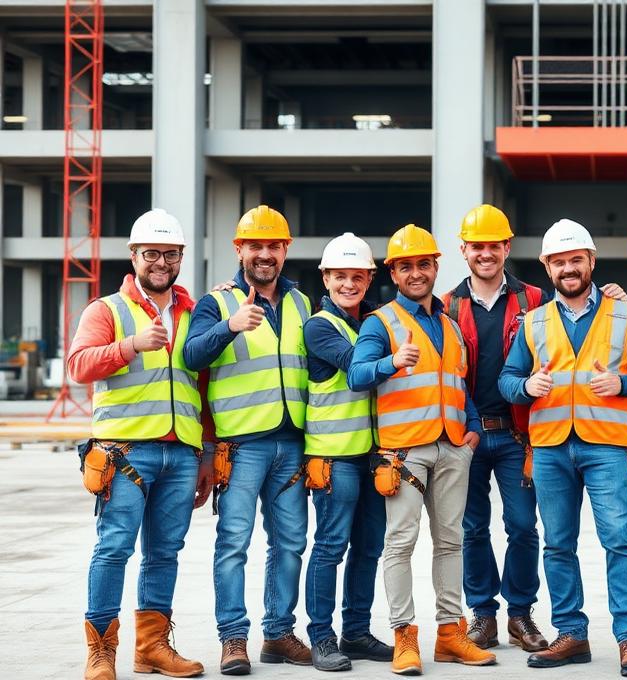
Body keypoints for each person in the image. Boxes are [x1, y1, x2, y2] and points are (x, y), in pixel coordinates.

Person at [499, 218, 627, 678]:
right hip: (551, 448)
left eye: (576, 260)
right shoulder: (533, 322)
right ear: (547, 267)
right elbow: (507, 380)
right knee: (557, 545)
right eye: (559, 262)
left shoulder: (624, 314)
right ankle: (571, 634)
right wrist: (526, 385)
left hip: (606, 446)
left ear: (591, 262)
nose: (568, 268)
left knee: (618, 541)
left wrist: (624, 382)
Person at [349, 224, 496, 675]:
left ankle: (451, 635)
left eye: (423, 264)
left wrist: (471, 428)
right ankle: (404, 637)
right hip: (404, 453)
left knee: (450, 542)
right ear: (394, 273)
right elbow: (358, 376)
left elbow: (457, 385)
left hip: (452, 446)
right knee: (400, 543)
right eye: (406, 266)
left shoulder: (450, 325)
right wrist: (392, 362)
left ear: (435, 267)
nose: (416, 273)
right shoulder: (381, 322)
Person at [68, 209, 204, 679]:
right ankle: (101, 650)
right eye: (152, 254)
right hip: (125, 453)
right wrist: (130, 345)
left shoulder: (194, 312)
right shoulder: (106, 310)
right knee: (114, 548)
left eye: (170, 254)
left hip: (181, 454)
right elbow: (79, 366)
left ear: (181, 257)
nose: (161, 262)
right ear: (134, 256)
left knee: (165, 553)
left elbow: (203, 388)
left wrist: (204, 452)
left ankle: (151, 649)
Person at [183, 205, 312, 675]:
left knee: (291, 542)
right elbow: (191, 355)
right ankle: (233, 639)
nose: (264, 254)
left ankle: (278, 634)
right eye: (254, 246)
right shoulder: (215, 303)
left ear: (285, 250)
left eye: (272, 246)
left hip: (292, 444)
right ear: (238, 250)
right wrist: (229, 326)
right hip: (241, 447)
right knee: (234, 542)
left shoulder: (301, 303)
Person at [441, 205, 548, 652]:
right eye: (477, 247)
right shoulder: (445, 305)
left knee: (523, 526)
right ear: (464, 250)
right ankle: (483, 614)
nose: (486, 254)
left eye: (494, 246)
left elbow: (585, 306)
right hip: (467, 435)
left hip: (517, 435)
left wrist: (615, 293)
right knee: (472, 529)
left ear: (507, 247)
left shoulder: (536, 301)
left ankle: (520, 615)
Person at [303, 233, 394, 671]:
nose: (348, 284)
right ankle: (322, 637)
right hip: (334, 456)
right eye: (340, 276)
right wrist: (393, 354)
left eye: (357, 276)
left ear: (369, 278)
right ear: (326, 277)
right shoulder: (319, 326)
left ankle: (356, 632)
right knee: (329, 547)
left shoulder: (374, 319)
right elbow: (358, 367)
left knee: (369, 548)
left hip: (373, 457)